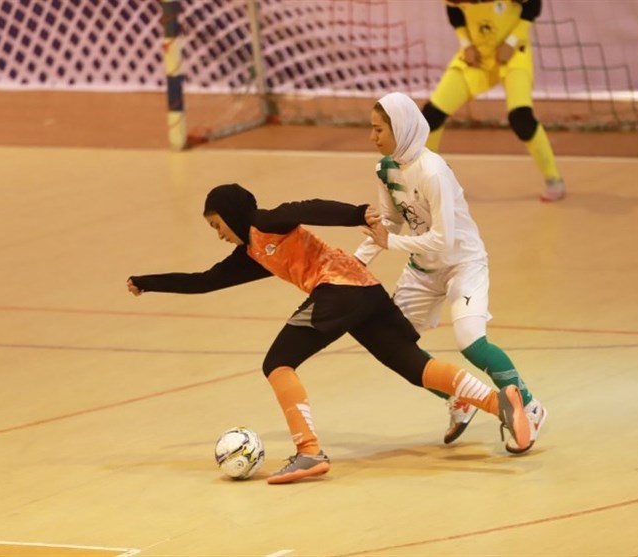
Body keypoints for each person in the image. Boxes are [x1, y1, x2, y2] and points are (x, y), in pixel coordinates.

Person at [127, 183, 530, 484]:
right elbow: (204, 282)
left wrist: (358, 214)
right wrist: (147, 282)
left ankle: (309, 452)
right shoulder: (250, 253)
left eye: (217, 225)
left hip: (338, 290)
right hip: (365, 290)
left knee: (278, 363)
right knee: (414, 367)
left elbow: (309, 208)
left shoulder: (265, 221)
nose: (218, 233)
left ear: (231, 214)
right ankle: (500, 403)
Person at [356, 91, 547, 453]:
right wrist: (353, 263)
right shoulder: (385, 169)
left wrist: (390, 244)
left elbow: (442, 240)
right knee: (392, 345)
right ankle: (458, 398)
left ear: (401, 128)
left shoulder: (433, 171)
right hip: (422, 269)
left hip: (462, 264)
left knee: (470, 341)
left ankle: (530, 407)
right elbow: (390, 223)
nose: (372, 137)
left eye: (378, 129)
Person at [422, 0, 566, 202]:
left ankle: (553, 179)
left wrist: (512, 42)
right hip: (478, 55)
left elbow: (533, 5)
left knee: (521, 118)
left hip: (513, 54)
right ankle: (430, 179)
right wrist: (466, 44)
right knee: (430, 116)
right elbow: (454, 10)